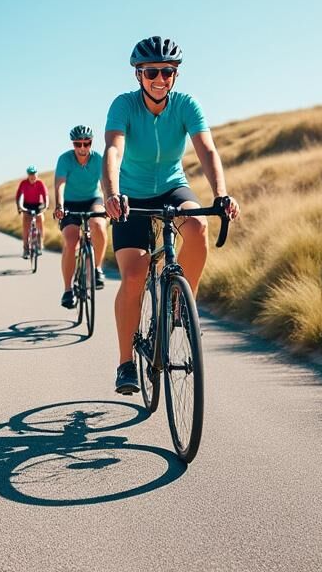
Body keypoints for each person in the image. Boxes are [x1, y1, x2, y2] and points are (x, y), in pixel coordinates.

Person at [102, 36, 241, 396]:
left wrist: (221, 193)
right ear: (139, 74)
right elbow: (113, 150)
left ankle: (181, 304)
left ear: (175, 74)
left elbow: (206, 149)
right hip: (129, 194)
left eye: (168, 71)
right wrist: (113, 193)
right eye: (152, 72)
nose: (160, 78)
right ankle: (125, 363)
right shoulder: (124, 106)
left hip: (171, 186)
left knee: (197, 225)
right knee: (134, 275)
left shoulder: (186, 106)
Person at [53, 125, 108, 308]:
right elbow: (60, 184)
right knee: (71, 241)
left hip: (93, 199)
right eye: (78, 144)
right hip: (70, 203)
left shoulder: (98, 159)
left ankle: (97, 268)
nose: (83, 148)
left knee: (99, 225)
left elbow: (105, 183)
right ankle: (68, 290)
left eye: (87, 143)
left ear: (91, 142)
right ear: (73, 144)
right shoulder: (65, 159)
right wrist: (59, 205)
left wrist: (109, 203)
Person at [14, 166, 48, 258]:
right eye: (30, 174)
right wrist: (20, 208)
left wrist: (46, 206)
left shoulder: (40, 183)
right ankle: (25, 249)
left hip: (38, 205)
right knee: (26, 226)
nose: (32, 176)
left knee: (40, 219)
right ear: (28, 175)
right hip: (27, 205)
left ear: (37, 174)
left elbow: (46, 196)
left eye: (34, 174)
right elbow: (18, 196)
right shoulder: (23, 183)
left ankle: (40, 243)